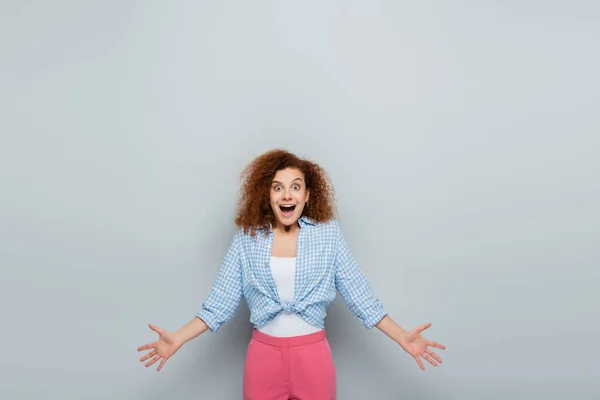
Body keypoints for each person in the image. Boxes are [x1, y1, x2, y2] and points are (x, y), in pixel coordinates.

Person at [138, 149, 446, 399]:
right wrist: (177, 337)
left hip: (313, 357)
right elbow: (219, 303)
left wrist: (401, 336)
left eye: (295, 187)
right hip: (263, 357)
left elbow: (360, 295)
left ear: (307, 195)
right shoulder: (248, 239)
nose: (287, 195)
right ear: (267, 195)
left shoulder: (328, 235)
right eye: (278, 187)